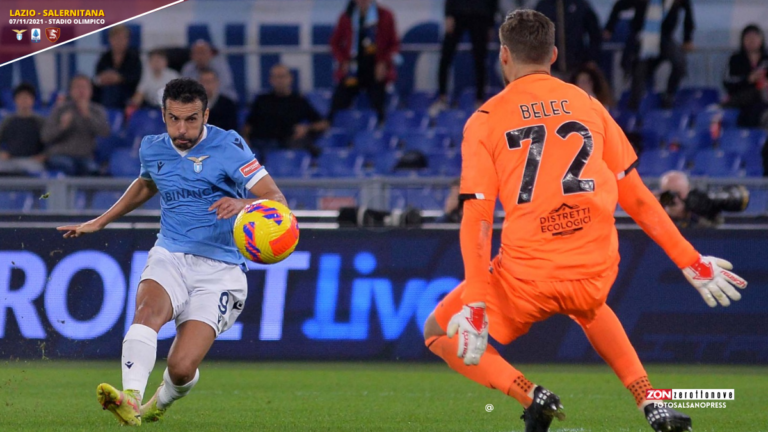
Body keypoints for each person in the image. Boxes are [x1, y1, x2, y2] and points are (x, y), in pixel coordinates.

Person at [422, 10, 747, 432]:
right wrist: (690, 260)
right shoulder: (587, 103)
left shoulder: (484, 121)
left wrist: (477, 303)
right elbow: (638, 197)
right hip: (594, 268)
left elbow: (478, 218)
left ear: (504, 56)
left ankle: (529, 393)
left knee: (435, 329)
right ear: (553, 54)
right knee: (591, 308)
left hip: (527, 276)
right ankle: (651, 401)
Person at [57, 78, 287, 425]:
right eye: (174, 119)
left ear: (206, 115)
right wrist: (101, 221)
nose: (182, 129)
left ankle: (158, 404)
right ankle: (131, 398)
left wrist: (242, 203)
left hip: (221, 269)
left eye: (191, 119)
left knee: (181, 368)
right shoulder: (152, 148)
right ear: (163, 115)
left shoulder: (230, 146)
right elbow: (146, 184)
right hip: (171, 254)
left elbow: (278, 200)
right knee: (148, 311)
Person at [604, 0, 695, 110]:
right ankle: (634, 109)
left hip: (665, 38)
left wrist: (687, 38)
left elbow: (688, 13)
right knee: (639, 74)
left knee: (679, 63)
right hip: (643, 39)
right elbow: (619, 6)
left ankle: (669, 95)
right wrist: (609, 28)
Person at [329, 0, 400, 123]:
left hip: (375, 71)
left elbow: (394, 44)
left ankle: (379, 133)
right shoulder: (346, 16)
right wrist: (342, 61)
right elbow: (334, 43)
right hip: (353, 70)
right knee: (337, 106)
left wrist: (384, 63)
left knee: (378, 106)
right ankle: (332, 133)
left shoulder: (385, 15)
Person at [430, 0, 498, 114]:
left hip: (480, 14)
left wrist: (491, 23)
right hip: (458, 12)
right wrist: (448, 15)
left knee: (480, 60)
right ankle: (442, 97)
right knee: (445, 57)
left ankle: (479, 100)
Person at [243, 64, 329, 153]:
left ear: (290, 78)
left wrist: (307, 128)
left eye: (282, 76)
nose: (279, 80)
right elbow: (248, 124)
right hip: (259, 143)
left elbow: (323, 124)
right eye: (275, 77)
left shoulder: (298, 101)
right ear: (270, 80)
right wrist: (245, 138)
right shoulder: (261, 100)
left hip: (287, 144)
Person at [41, 75, 110, 176]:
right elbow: (45, 137)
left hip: (85, 157)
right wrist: (62, 127)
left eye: (84, 87)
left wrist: (88, 116)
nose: (81, 91)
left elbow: (105, 132)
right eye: (77, 87)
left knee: (93, 170)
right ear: (71, 91)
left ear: (91, 91)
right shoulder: (60, 110)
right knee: (67, 166)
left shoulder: (97, 110)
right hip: (60, 155)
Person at [535, 0, 602, 77]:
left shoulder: (580, 4)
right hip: (550, 68)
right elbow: (533, 36)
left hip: (577, 68)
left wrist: (592, 58)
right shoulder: (543, 6)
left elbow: (595, 33)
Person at [723, 24, 768, 128]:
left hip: (762, 101)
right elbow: (727, 81)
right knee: (755, 100)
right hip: (741, 98)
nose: (752, 41)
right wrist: (748, 79)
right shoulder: (735, 59)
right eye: (748, 38)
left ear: (761, 40)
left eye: (755, 37)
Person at [0, 83, 46, 175]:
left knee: (35, 170)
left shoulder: (40, 122)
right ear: (15, 100)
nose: (24, 101)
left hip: (32, 161)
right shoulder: (8, 121)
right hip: (10, 160)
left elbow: (51, 142)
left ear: (33, 100)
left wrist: (44, 156)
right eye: (20, 98)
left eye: (27, 98)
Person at [93, 25, 143, 109]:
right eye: (116, 38)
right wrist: (105, 78)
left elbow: (136, 77)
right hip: (106, 92)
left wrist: (120, 78)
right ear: (110, 39)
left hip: (127, 92)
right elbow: (97, 77)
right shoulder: (104, 58)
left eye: (122, 38)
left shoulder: (134, 57)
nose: (119, 41)